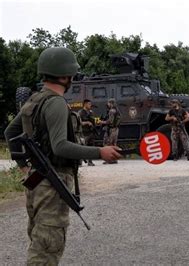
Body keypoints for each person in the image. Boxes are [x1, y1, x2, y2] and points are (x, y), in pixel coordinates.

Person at [4, 47, 122, 265]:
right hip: (53, 182)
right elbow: (60, 146)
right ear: (64, 75)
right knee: (47, 249)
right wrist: (99, 151)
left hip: (37, 181)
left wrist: (23, 166)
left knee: (39, 242)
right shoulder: (56, 102)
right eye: (72, 74)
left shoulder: (34, 100)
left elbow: (10, 132)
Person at [100, 98, 121, 164]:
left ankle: (109, 159)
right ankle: (114, 159)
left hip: (111, 129)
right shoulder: (117, 111)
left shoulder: (111, 111)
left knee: (108, 144)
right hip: (116, 129)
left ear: (111, 103)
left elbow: (110, 121)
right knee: (114, 144)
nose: (107, 104)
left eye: (108, 103)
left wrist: (102, 122)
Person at [78, 99, 96, 166]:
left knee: (91, 147)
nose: (90, 105)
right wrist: (87, 123)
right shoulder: (81, 112)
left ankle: (90, 161)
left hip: (90, 132)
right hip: (84, 133)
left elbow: (93, 122)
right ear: (85, 104)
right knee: (82, 147)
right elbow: (79, 122)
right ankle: (79, 162)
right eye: (89, 104)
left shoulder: (91, 112)